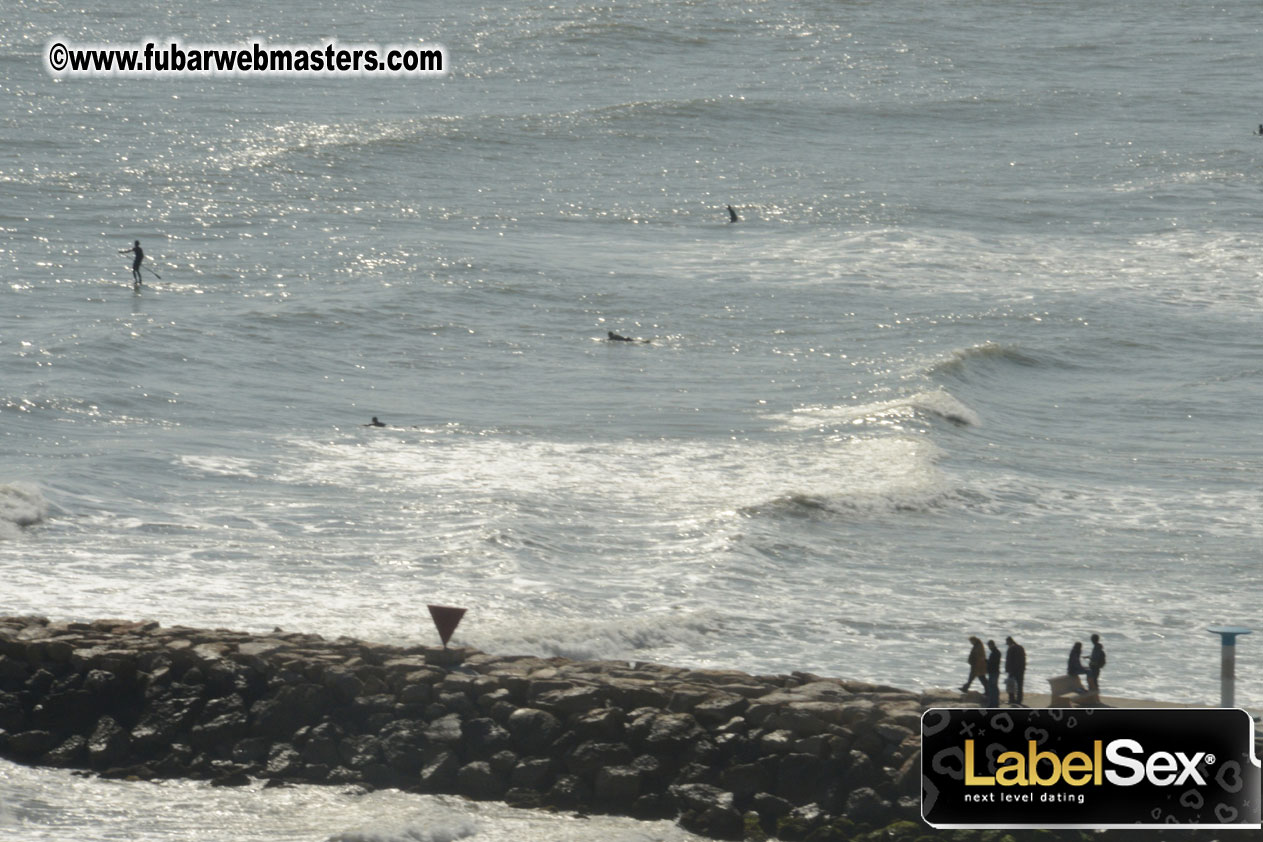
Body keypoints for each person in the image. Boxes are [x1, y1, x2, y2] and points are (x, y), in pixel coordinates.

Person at [1004, 636, 1026, 705]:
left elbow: (1010, 660)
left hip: (1013, 670)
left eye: (1007, 642)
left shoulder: (1011, 648)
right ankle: (1019, 700)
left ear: (1009, 641)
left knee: (1010, 685)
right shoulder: (1020, 647)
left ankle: (1012, 699)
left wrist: (1008, 669)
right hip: (1021, 669)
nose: (1007, 644)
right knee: (1020, 685)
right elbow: (1023, 659)